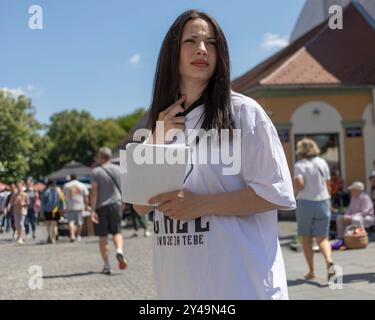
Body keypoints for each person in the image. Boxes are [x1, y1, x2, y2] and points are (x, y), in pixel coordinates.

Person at [133, 10, 296, 300]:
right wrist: (157, 140)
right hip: (179, 287)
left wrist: (201, 205)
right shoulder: (160, 121)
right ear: (172, 51)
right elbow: (140, 206)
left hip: (242, 285)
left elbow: (275, 193)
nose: (202, 49)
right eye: (191, 41)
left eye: (211, 42)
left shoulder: (244, 113)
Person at [293, 138, 335, 282]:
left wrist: (294, 193)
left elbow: (300, 184)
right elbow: (328, 184)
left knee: (306, 238)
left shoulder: (299, 165)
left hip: (306, 203)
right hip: (323, 201)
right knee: (322, 238)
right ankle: (329, 260)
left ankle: (311, 271)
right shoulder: (322, 162)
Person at [91, 147, 127, 275]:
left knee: (103, 237)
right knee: (117, 232)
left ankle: (107, 265)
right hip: (116, 204)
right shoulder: (118, 170)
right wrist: (123, 202)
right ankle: (119, 250)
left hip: (101, 207)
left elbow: (94, 192)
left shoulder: (96, 172)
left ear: (101, 157)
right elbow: (124, 188)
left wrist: (92, 210)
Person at [63, 173, 89, 242]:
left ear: (70, 178)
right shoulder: (82, 185)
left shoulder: (66, 185)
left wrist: (64, 206)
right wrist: (86, 205)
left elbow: (64, 197)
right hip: (80, 205)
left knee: (71, 222)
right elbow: (86, 197)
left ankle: (72, 235)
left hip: (70, 206)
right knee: (80, 222)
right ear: (77, 177)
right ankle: (78, 235)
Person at [41, 179, 63, 244]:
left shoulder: (46, 191)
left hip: (47, 210)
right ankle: (54, 239)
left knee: (48, 224)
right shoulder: (58, 191)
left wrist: (42, 211)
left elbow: (43, 202)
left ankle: (50, 236)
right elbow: (61, 201)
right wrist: (61, 209)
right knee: (54, 225)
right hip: (56, 210)